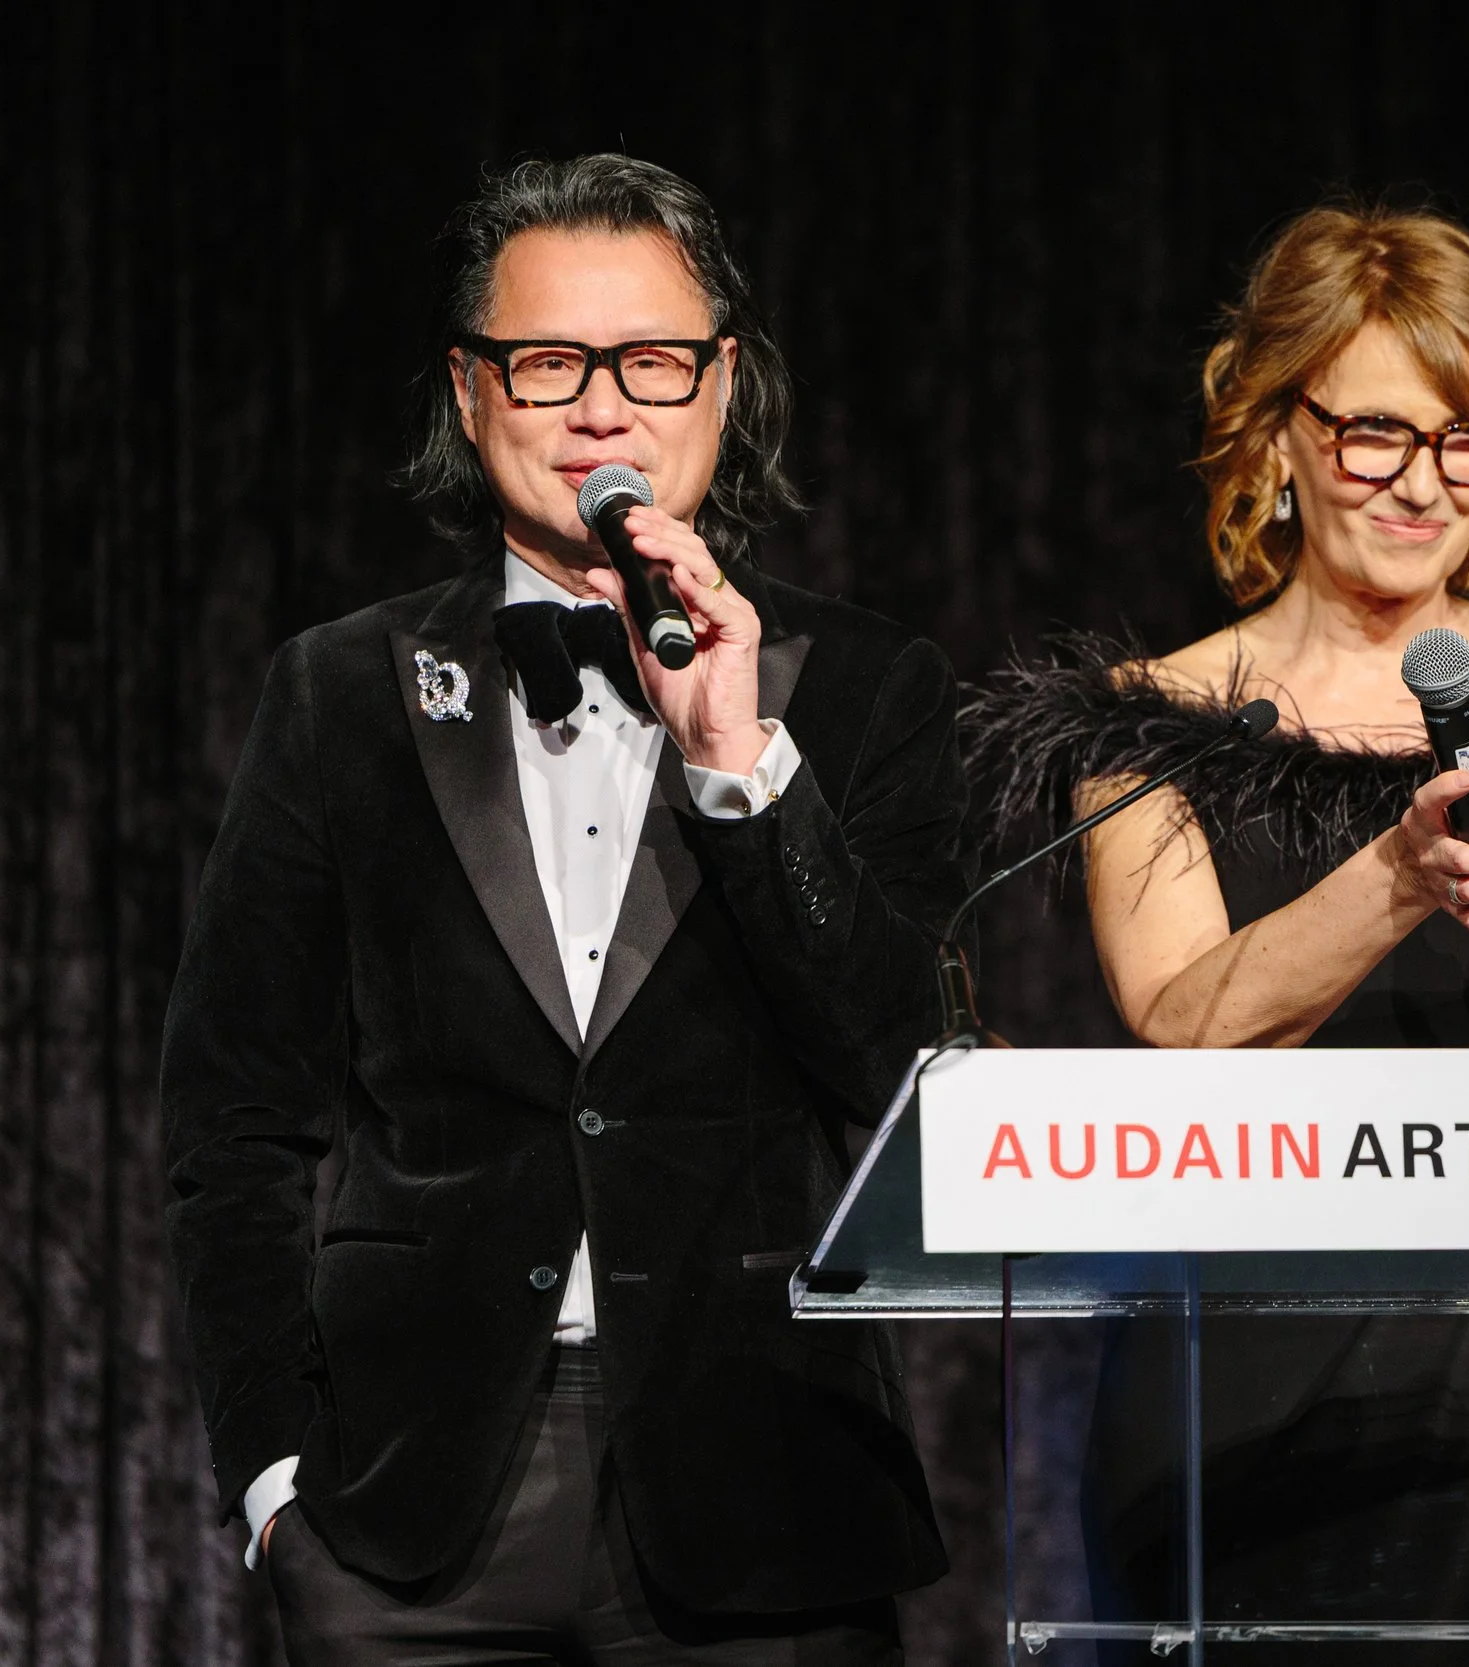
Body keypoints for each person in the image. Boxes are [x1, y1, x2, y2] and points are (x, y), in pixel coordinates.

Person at [161, 155, 960, 1666]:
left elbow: (906, 1077)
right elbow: (232, 1116)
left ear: (726, 387)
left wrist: (741, 765)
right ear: (473, 396)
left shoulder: (865, 691)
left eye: (653, 362)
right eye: (549, 364)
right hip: (411, 1516)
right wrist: (275, 1477)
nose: (605, 409)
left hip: (763, 1495)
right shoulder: (341, 688)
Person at [967, 206, 1469, 1659]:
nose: (1424, 485)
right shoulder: (1157, 722)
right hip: (1239, 1411)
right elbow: (1190, 1027)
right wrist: (1400, 875)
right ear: (1273, 437)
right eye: (1377, 434)